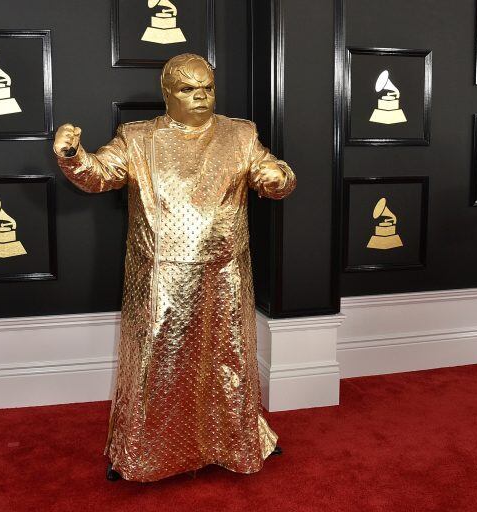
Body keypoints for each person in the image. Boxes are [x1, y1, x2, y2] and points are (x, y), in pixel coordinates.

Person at [53, 53, 296, 482]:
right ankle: (143, 456)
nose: (200, 97)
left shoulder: (240, 134)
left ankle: (235, 442)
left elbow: (271, 173)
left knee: (229, 361)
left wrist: (278, 176)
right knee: (157, 367)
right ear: (167, 95)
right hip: (159, 276)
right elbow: (99, 174)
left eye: (207, 88)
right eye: (187, 89)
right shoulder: (138, 138)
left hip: (225, 272)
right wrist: (73, 155)